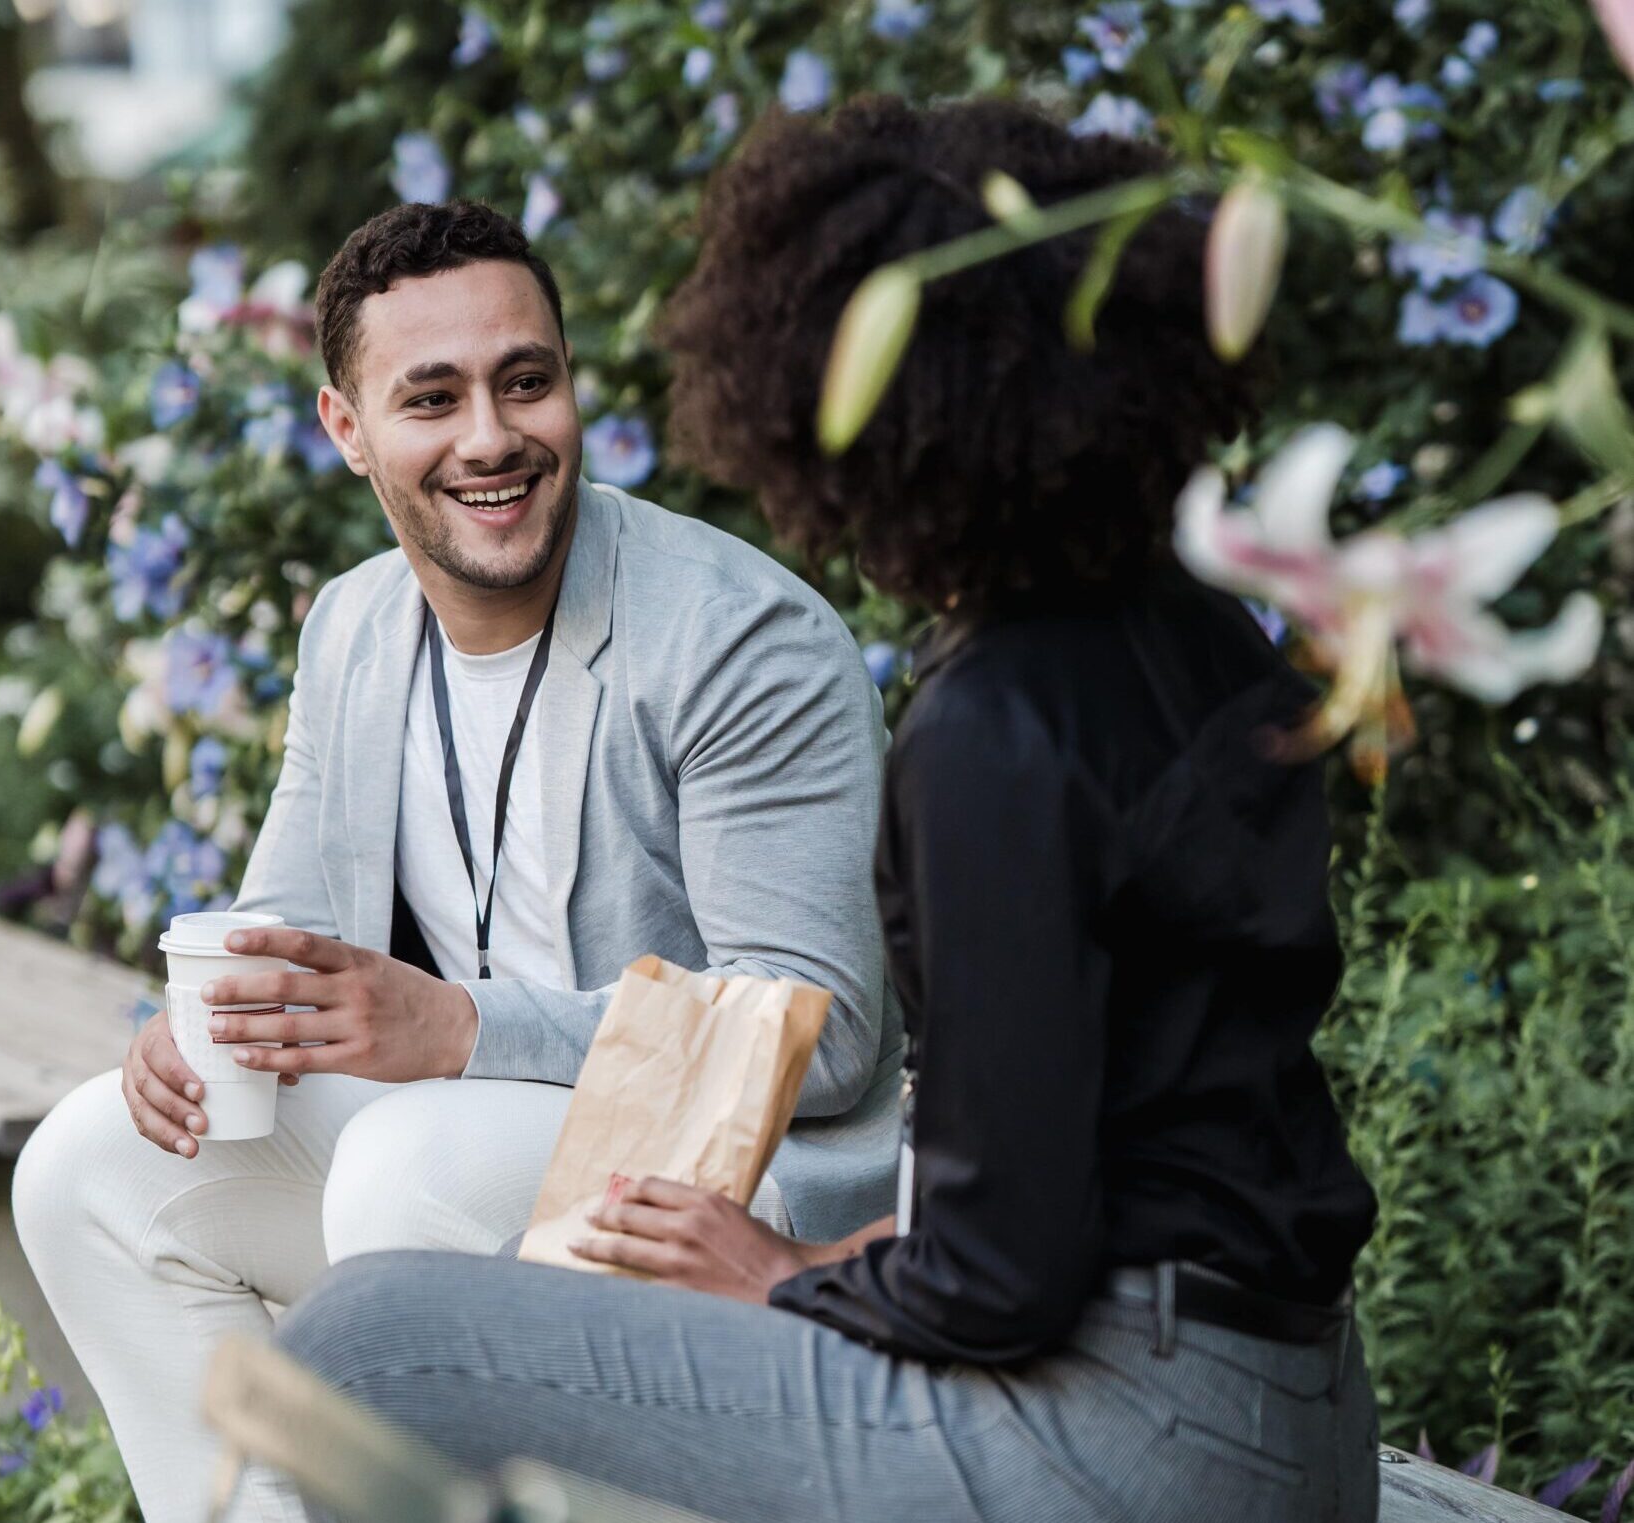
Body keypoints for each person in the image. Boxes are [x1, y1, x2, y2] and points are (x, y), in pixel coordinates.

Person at [273, 97, 1382, 1523]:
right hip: (1292, 1399)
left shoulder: (995, 730)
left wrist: (792, 1274)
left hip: (1125, 1439)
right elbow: (1094, 1146)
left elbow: (998, 1277)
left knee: (365, 1350)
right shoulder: (1204, 632)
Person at [11, 199, 904, 1523]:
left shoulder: (739, 639)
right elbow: (287, 924)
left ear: (570, 390)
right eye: (432, 398)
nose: (492, 437)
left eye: (525, 382)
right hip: (474, 1134)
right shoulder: (355, 627)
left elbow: (816, 1034)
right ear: (347, 432)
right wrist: (205, 1030)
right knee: (89, 1163)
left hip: (739, 1167)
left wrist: (457, 1024)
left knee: (404, 1163)